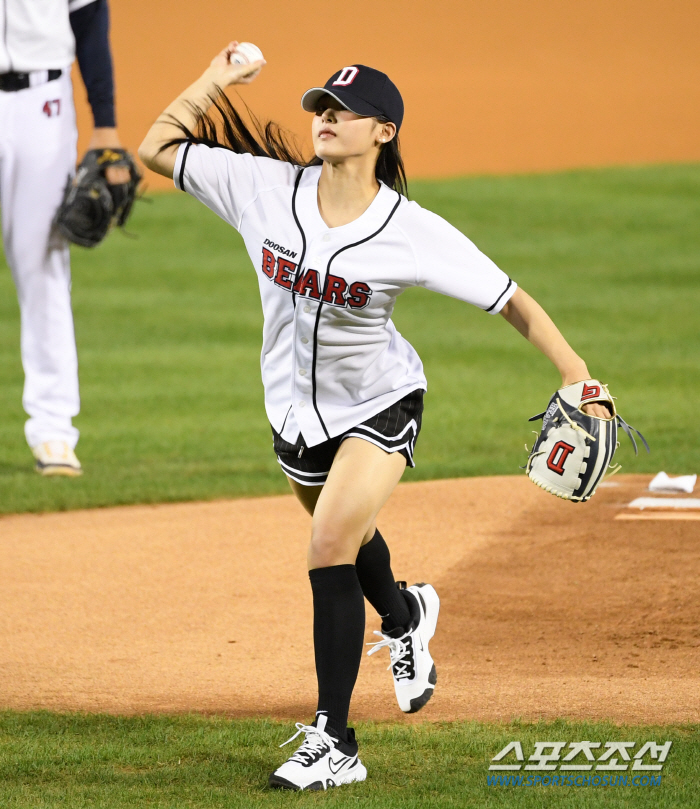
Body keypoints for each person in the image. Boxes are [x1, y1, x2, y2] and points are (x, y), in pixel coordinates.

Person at [139, 44, 611, 791]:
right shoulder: (263, 188)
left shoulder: (409, 228)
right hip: (292, 413)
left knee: (328, 541)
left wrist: (577, 374)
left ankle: (336, 740)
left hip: (382, 402)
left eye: (343, 110)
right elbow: (157, 147)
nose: (325, 118)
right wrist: (216, 78)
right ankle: (405, 613)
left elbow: (509, 297)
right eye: (320, 107)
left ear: (383, 131)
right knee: (345, 537)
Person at [0, 0, 130, 475]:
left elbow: (90, 18)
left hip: (43, 106)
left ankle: (53, 430)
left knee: (43, 263)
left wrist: (107, 123)